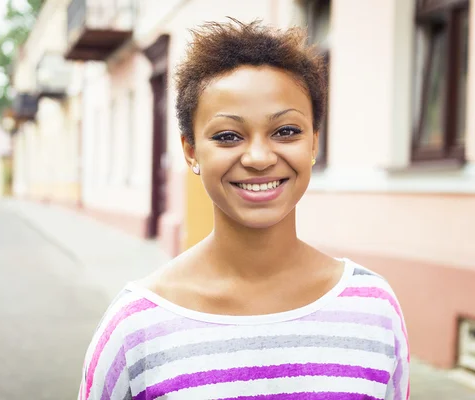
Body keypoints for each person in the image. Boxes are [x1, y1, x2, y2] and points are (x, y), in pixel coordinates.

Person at [79, 19, 410, 400]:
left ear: (314, 142)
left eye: (286, 131)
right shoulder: (136, 326)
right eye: (227, 136)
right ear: (191, 151)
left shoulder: (374, 309)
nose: (258, 158)